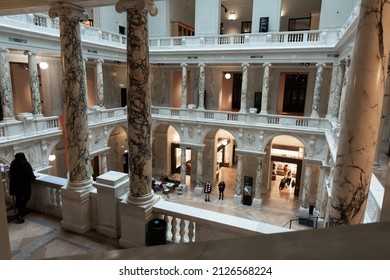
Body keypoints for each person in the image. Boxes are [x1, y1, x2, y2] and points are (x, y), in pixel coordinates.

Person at [9, 152, 36, 223]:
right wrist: (33, 178)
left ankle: (19, 210)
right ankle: (20, 212)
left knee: (18, 197)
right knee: (27, 196)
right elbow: (30, 175)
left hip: (15, 184)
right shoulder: (25, 164)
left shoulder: (13, 163)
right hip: (23, 185)